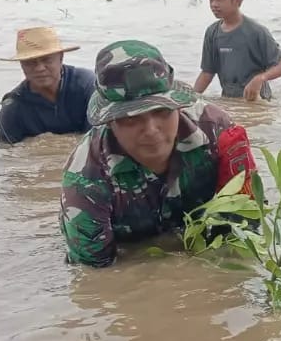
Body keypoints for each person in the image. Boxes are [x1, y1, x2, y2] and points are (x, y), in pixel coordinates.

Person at [60, 40, 256, 268]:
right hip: (125, 246)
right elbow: (95, 274)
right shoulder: (85, 179)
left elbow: (245, 225)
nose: (151, 130)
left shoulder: (218, 133)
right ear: (110, 122)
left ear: (178, 107)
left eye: (162, 111)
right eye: (131, 118)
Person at [193, 0, 281, 102]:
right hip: (230, 101)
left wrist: (260, 78)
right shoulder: (212, 32)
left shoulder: (256, 32)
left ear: (237, 1)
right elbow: (207, 73)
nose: (214, 4)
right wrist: (190, 99)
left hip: (258, 101)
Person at [0, 27, 96, 144]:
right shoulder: (13, 107)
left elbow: (99, 138)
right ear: (22, 65)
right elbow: (6, 150)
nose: (39, 68)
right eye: (30, 62)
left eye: (46, 60)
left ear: (61, 58)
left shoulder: (87, 85)